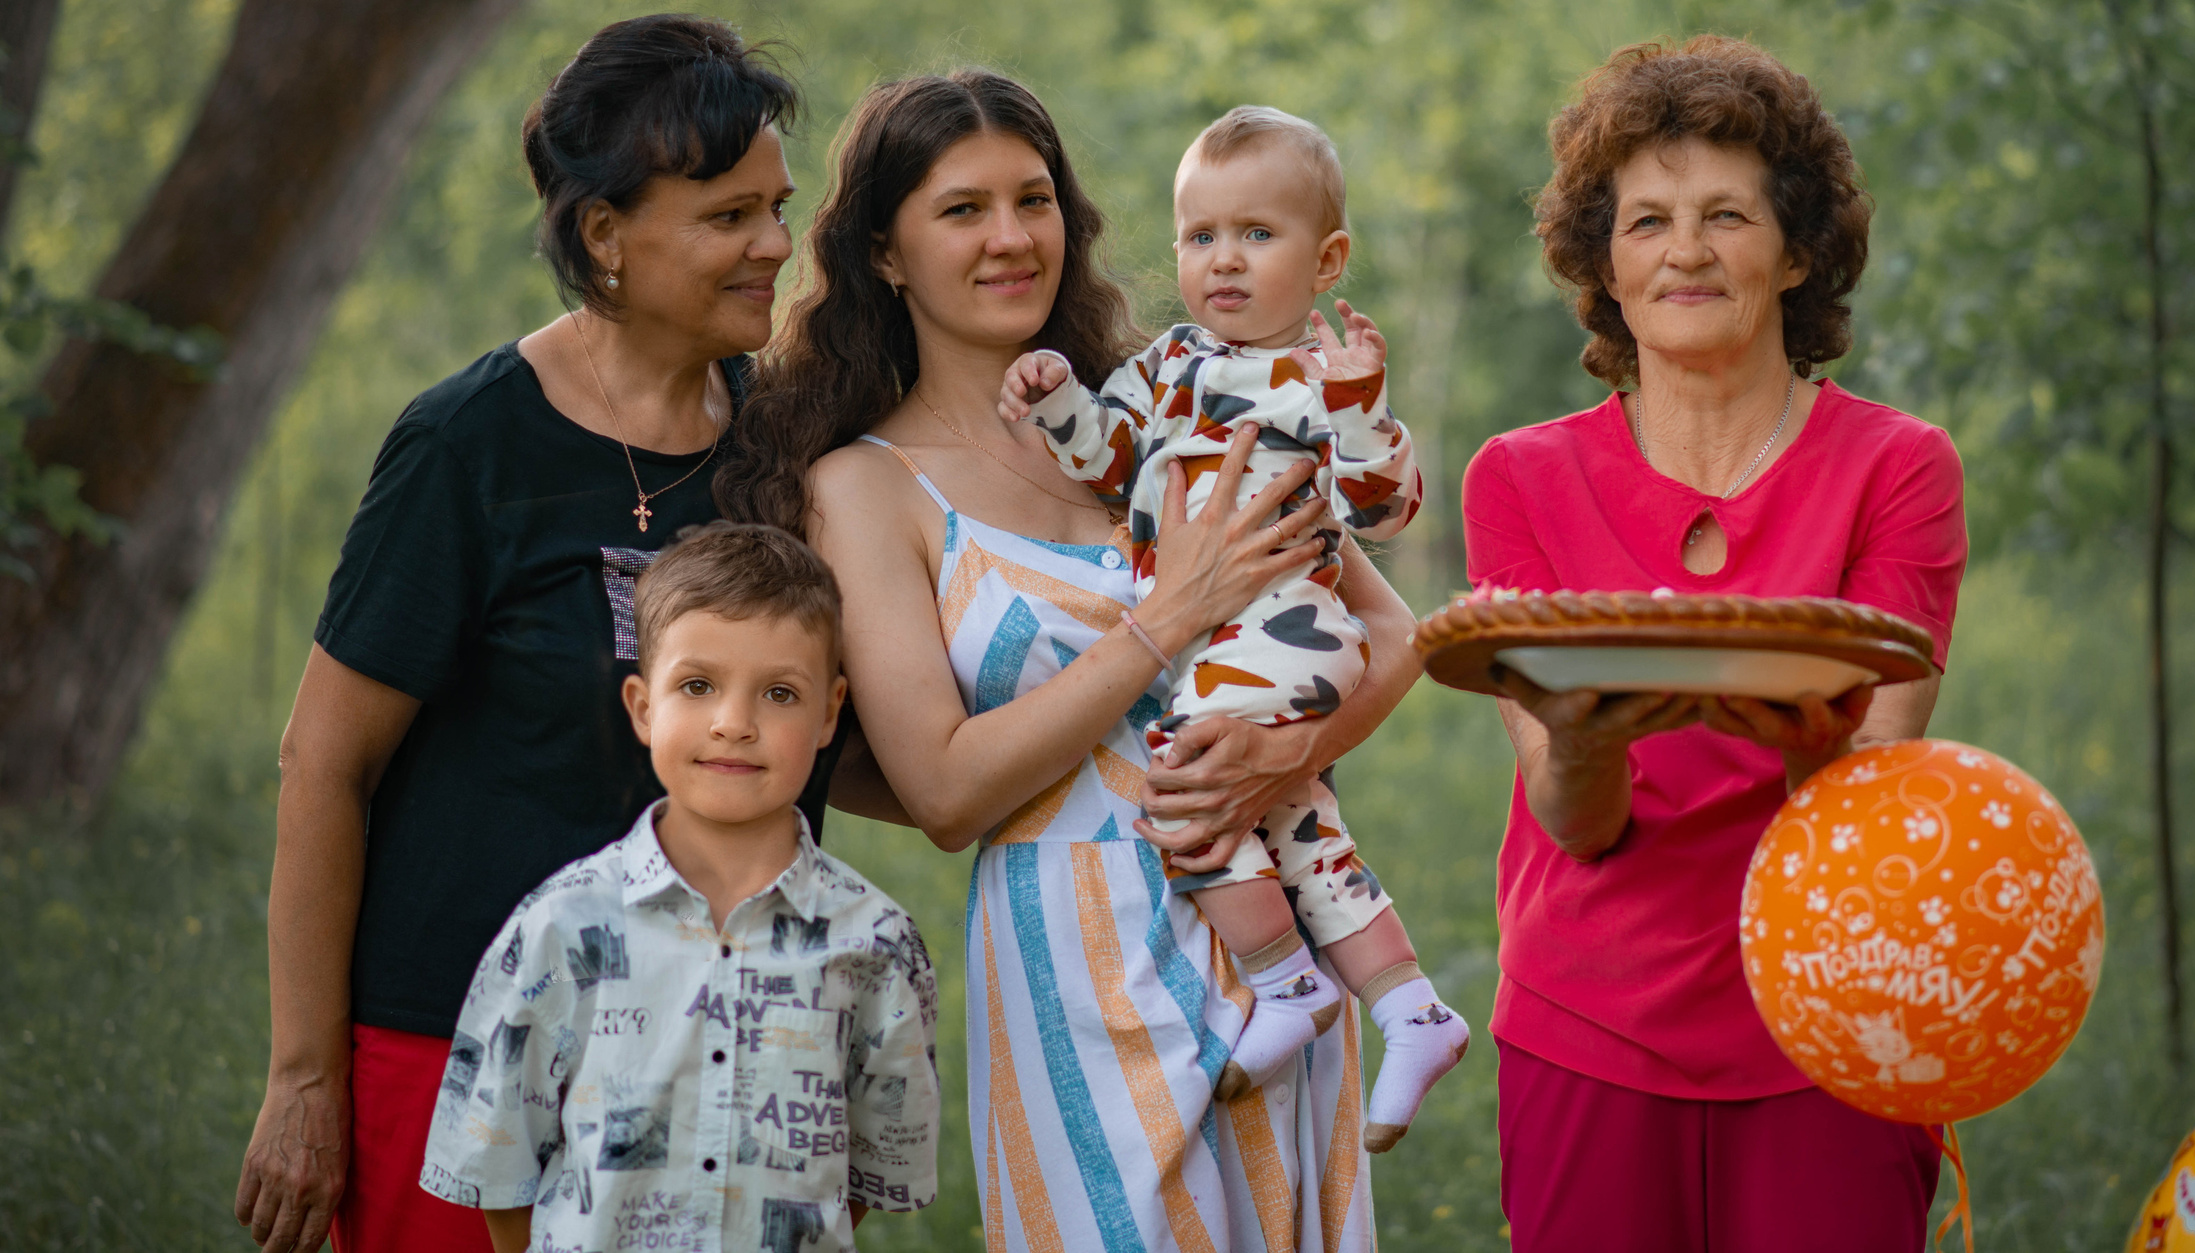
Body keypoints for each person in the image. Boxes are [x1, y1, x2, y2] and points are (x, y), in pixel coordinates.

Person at [722, 71, 1424, 1252]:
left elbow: (1398, 636)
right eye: (962, 210)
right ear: (886, 251)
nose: (1010, 237)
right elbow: (944, 791)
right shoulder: (866, 486)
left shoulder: (1164, 409)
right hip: (1077, 958)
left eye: (1033, 199)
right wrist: (1169, 614)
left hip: (1274, 941)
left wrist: (1285, 752)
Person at [235, 15, 898, 1253]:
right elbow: (323, 762)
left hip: (723, 1052)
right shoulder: (468, 446)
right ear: (605, 234)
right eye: (727, 216)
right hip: (454, 1051)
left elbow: (836, 737)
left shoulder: (786, 448)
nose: (773, 245)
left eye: (776, 207)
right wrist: (303, 1076)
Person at [1464, 35, 1967, 1252]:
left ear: (1795, 250)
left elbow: (1859, 807)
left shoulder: (1899, 467)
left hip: (1828, 1020)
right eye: (1645, 221)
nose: (1684, 249)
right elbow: (1575, 817)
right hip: (1590, 1025)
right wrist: (1586, 738)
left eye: (1725, 213)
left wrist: (1809, 742)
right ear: (1604, 264)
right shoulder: (1517, 478)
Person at [998, 105, 1467, 1149]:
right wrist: (1059, 397)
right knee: (1297, 828)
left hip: (1286, 629)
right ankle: (1408, 1005)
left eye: (1257, 234)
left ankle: (1284, 982)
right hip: (1221, 646)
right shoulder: (1169, 362)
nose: (1224, 260)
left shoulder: (1319, 373)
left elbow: (1388, 507)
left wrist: (1357, 408)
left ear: (1326, 255)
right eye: (1201, 235)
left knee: (1185, 784)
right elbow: (1110, 462)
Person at [420, 522, 939, 1253]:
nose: (734, 723)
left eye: (780, 692)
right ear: (641, 706)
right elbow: (502, 1166)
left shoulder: (877, 944)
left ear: (830, 712)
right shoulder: (560, 928)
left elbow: (863, 1180)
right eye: (697, 685)